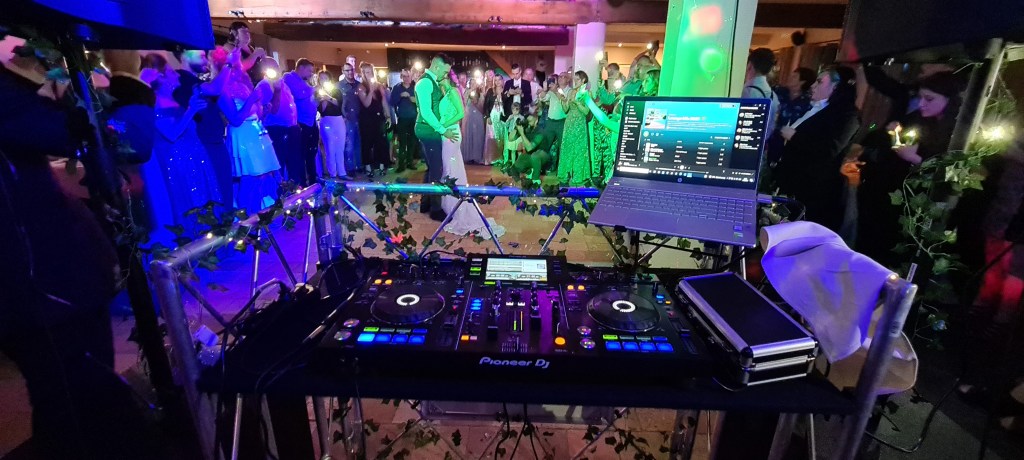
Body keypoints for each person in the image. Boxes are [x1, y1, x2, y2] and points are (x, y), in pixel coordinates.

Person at [1, 45, 171, 460]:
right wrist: (126, 74)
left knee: (75, 405)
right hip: (44, 290)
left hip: (46, 285)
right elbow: (122, 139)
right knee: (82, 410)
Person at [853, 71, 960, 266]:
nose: (922, 104)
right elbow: (897, 148)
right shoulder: (919, 118)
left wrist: (915, 158)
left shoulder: (959, 132)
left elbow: (952, 176)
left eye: (929, 99)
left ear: (949, 100)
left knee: (891, 253)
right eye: (921, 98)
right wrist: (895, 134)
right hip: (886, 193)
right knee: (868, 242)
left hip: (915, 205)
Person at [775, 67, 861, 231]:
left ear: (835, 87)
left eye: (819, 82)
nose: (813, 85)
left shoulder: (848, 115)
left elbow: (829, 149)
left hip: (814, 190)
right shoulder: (820, 107)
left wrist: (794, 136)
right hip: (796, 184)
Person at [150, 59, 222, 235]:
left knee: (203, 198)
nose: (176, 74)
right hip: (180, 161)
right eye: (171, 72)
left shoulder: (174, 100)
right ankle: (196, 244)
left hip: (195, 156)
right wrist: (191, 110)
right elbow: (172, 134)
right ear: (161, 78)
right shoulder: (156, 103)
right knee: (190, 202)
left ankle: (209, 242)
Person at [438, 69, 506, 239]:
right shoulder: (444, 92)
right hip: (446, 132)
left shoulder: (454, 91)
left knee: (451, 166)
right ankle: (449, 202)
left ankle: (455, 202)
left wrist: (442, 125)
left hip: (450, 133)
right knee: (448, 167)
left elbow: (460, 113)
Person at [217, 53, 280, 213]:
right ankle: (246, 219)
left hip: (256, 132)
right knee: (249, 179)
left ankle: (259, 215)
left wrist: (264, 110)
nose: (240, 70)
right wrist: (251, 100)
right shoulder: (223, 89)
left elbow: (254, 114)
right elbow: (235, 119)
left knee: (262, 177)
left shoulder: (244, 86)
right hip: (242, 136)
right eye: (235, 67)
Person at [174, 49, 234, 207]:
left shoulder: (195, 81)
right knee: (216, 196)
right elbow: (215, 88)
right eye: (201, 56)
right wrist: (229, 64)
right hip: (203, 144)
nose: (206, 60)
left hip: (214, 142)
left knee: (224, 193)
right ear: (184, 54)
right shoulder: (181, 79)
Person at [414, 53, 459, 221]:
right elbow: (426, 112)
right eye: (445, 71)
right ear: (437, 66)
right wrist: (443, 130)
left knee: (431, 167)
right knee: (436, 169)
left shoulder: (430, 81)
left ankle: (425, 202)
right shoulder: (425, 82)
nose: (445, 75)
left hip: (427, 129)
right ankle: (435, 209)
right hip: (428, 130)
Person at [256, 58, 302, 185]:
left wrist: (295, 123)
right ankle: (280, 192)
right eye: (270, 66)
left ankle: (295, 190)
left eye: (276, 65)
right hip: (276, 129)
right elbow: (273, 109)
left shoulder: (284, 84)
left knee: (294, 163)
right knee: (279, 163)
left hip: (291, 128)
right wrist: (277, 90)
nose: (275, 69)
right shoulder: (263, 85)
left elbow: (291, 105)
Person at [766, 67, 816, 168]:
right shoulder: (777, 91)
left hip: (788, 145)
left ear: (802, 82)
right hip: (768, 138)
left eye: (794, 77)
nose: (789, 78)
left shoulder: (808, 102)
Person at [283, 58, 319, 186]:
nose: (311, 74)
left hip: (311, 121)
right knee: (301, 154)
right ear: (301, 68)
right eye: (309, 70)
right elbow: (298, 94)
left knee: (312, 153)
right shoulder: (289, 77)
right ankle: (302, 183)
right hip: (301, 122)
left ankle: (313, 180)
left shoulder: (306, 82)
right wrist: (314, 89)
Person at [356, 62, 392, 177]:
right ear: (363, 74)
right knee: (367, 143)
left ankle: (381, 165)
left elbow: (384, 102)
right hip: (367, 119)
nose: (370, 74)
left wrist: (388, 116)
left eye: (371, 72)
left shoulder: (379, 86)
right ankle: (368, 166)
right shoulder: (361, 87)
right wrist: (371, 90)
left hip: (379, 117)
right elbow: (366, 104)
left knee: (381, 142)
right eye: (367, 72)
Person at [558, 71, 592, 185]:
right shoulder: (571, 92)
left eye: (577, 79)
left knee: (579, 150)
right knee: (567, 148)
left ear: (583, 80)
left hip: (580, 124)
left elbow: (586, 112)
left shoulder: (587, 93)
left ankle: (578, 176)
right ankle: (565, 174)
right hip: (569, 124)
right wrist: (562, 100)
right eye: (574, 79)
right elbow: (565, 109)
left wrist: (577, 103)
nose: (575, 81)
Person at [316, 70, 350, 180]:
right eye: (321, 78)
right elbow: (322, 109)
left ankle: (342, 172)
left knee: (340, 147)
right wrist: (323, 98)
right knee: (329, 148)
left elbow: (338, 103)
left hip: (338, 119)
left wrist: (328, 97)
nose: (323, 80)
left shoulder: (336, 91)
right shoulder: (317, 92)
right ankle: (333, 174)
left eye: (325, 78)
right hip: (326, 120)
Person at [742, 48, 781, 138]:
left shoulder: (747, 91)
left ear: (749, 65)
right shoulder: (773, 95)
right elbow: (772, 125)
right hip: (763, 142)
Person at [390, 68, 419, 172]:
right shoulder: (397, 88)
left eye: (408, 76)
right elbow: (392, 102)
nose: (406, 78)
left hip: (414, 118)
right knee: (402, 143)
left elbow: (420, 101)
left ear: (411, 77)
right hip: (402, 118)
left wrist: (412, 99)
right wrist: (400, 96)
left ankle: (410, 162)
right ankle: (401, 165)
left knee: (412, 142)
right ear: (401, 77)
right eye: (404, 76)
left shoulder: (416, 87)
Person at [512, 112, 555, 181]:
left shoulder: (540, 131)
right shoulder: (527, 128)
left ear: (536, 120)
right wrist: (516, 128)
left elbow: (529, 148)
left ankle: (535, 179)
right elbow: (511, 138)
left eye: (530, 120)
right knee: (518, 164)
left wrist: (522, 133)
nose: (528, 122)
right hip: (531, 156)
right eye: (527, 120)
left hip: (544, 156)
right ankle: (529, 171)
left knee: (535, 155)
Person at [338, 62, 363, 174]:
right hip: (347, 119)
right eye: (347, 70)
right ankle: (350, 168)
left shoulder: (359, 85)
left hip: (360, 118)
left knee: (359, 143)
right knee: (349, 144)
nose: (350, 72)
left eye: (351, 70)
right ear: (343, 71)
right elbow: (337, 103)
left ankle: (359, 166)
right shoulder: (338, 86)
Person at [461, 75, 486, 164]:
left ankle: (477, 156)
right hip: (469, 115)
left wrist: (479, 97)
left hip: (478, 116)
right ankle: (468, 156)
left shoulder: (480, 93)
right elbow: (463, 103)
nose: (473, 85)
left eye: (474, 83)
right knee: (468, 134)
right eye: (471, 83)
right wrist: (468, 94)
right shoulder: (466, 92)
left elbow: (482, 105)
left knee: (477, 135)